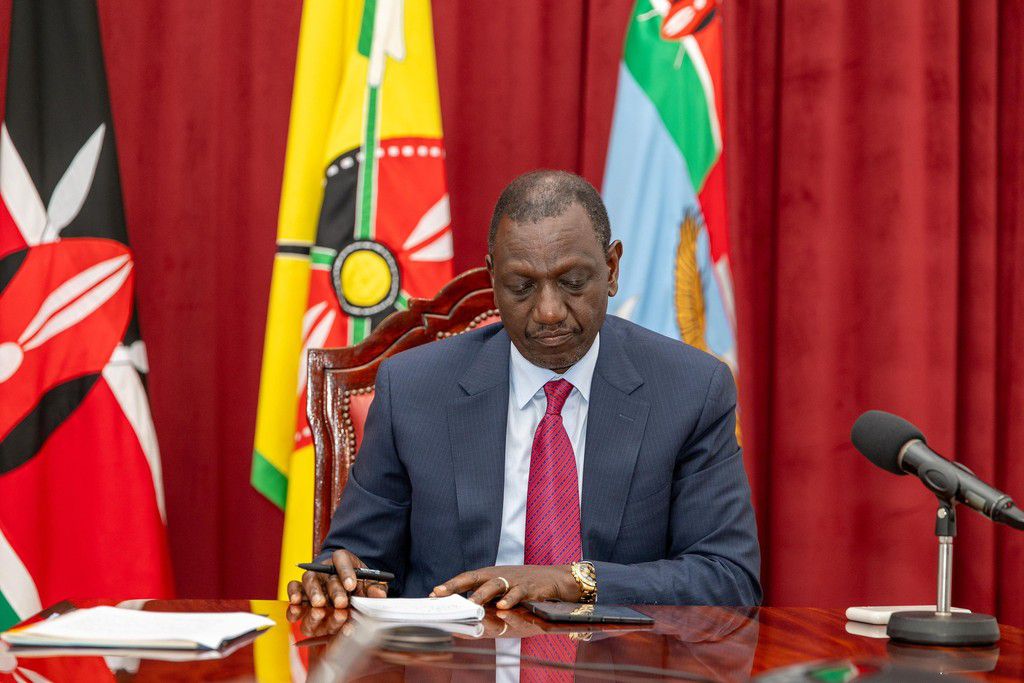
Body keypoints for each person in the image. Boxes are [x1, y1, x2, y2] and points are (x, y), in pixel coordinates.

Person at [287, 170, 761, 609]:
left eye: (573, 283)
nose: (550, 311)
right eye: (522, 286)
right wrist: (340, 578)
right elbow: (360, 559)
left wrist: (571, 580)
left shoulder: (690, 391)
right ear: (492, 276)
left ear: (612, 269)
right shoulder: (413, 390)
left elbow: (728, 578)